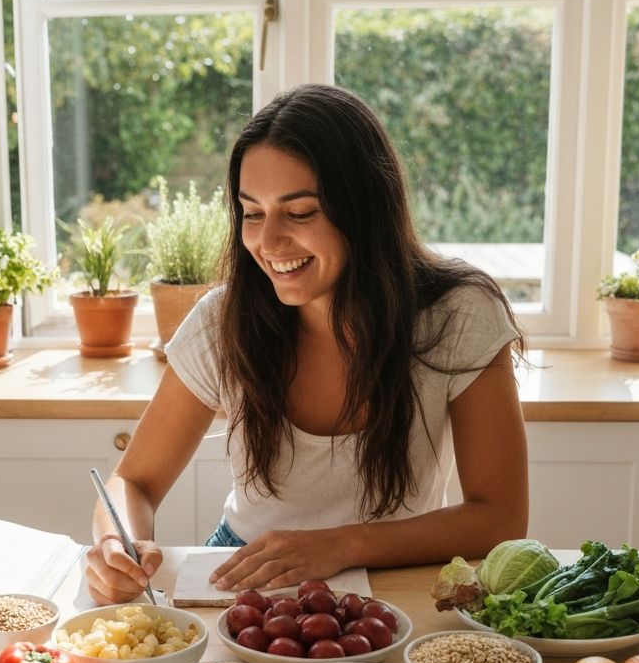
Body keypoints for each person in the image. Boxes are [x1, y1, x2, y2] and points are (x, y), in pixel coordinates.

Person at [87, 83, 528, 606]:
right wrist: (117, 540)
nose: (268, 243)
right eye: (252, 212)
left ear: (366, 210)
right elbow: (134, 482)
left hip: (397, 576)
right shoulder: (222, 322)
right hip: (248, 569)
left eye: (299, 213)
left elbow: (499, 516)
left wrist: (342, 544)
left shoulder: (459, 316)